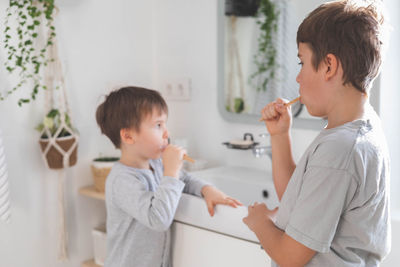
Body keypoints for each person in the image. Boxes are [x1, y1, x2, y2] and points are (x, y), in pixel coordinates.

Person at [243, 0, 391, 266]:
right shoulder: (359, 130)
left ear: (329, 66)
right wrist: (280, 136)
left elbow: (290, 257)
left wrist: (260, 223)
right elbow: (298, 200)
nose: (297, 78)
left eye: (301, 63)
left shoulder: (340, 149)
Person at [96, 86, 242, 267]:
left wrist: (207, 189)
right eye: (158, 125)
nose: (167, 133)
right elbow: (158, 219)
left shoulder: (156, 164)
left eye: (165, 124)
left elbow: (185, 179)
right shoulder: (121, 181)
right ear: (128, 136)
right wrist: (171, 171)